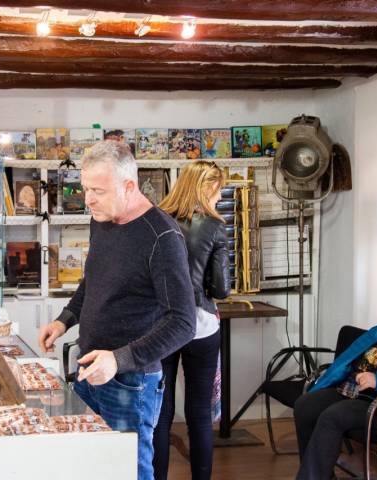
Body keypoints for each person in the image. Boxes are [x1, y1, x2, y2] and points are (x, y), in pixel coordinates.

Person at [38, 140, 197, 480]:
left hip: (131, 383)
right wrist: (64, 320)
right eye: (85, 189)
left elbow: (183, 322)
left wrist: (118, 359)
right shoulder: (102, 218)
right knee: (92, 468)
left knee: (129, 472)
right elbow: (93, 281)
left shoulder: (162, 237)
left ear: (129, 187)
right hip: (88, 367)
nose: (88, 199)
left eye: (97, 190)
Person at [294, 276, 377, 480]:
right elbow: (348, 359)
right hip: (354, 391)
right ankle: (319, 474)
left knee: (334, 415)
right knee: (306, 404)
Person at [152, 161, 230, 480]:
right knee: (198, 415)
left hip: (160, 325)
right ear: (208, 187)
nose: (220, 195)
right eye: (219, 188)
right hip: (200, 325)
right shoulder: (213, 226)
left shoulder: (157, 218)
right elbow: (222, 289)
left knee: (161, 413)